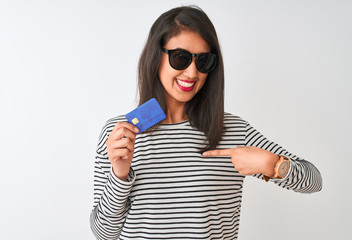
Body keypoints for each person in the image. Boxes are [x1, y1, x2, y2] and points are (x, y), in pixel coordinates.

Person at [90, 6, 322, 240]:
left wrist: (272, 164)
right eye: (180, 57)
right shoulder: (119, 134)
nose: (192, 73)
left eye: (204, 61)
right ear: (156, 56)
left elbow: (314, 181)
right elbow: (104, 234)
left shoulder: (233, 131)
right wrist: (119, 175)